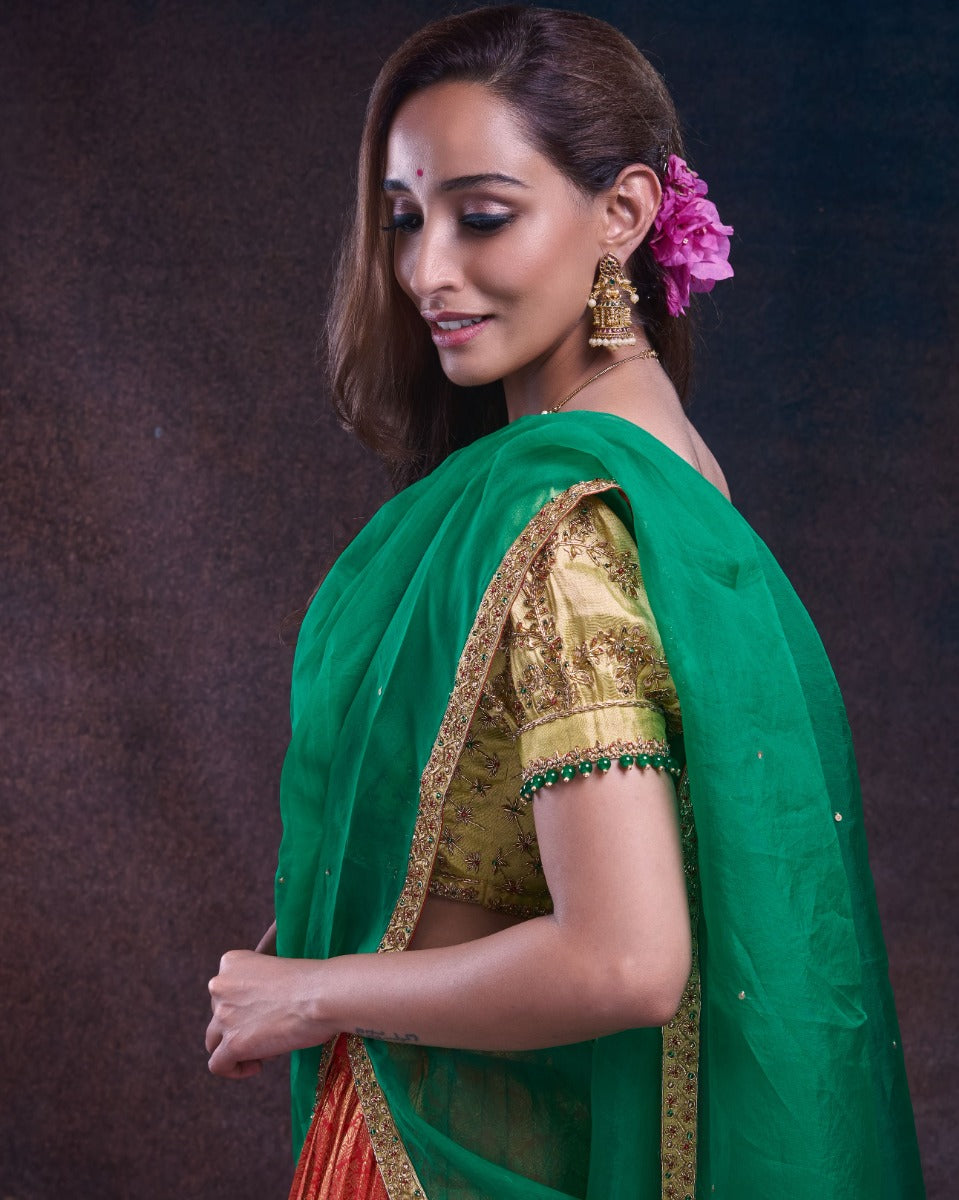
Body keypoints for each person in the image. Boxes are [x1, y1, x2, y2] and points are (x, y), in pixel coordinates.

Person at [205, 7, 924, 1198]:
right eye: (404, 220)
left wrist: (313, 993)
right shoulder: (667, 476)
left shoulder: (569, 526)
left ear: (624, 215)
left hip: (452, 1156)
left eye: (482, 216)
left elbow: (624, 959)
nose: (426, 270)